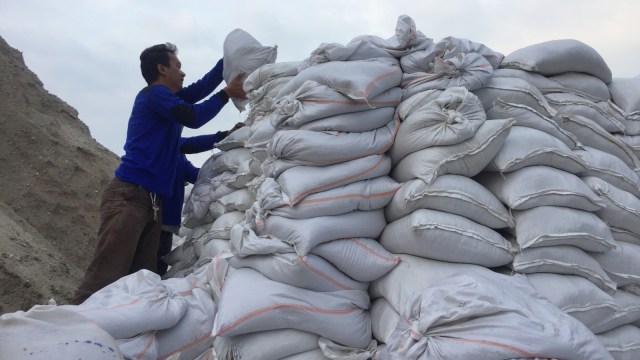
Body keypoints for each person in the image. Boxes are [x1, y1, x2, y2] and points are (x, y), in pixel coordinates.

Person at [71, 42, 245, 304]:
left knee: (141, 281)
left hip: (152, 204)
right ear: (162, 69)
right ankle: (73, 329)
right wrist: (225, 94)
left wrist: (226, 64)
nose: (183, 73)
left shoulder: (166, 107)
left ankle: (119, 335)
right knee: (106, 277)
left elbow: (192, 107)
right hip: (130, 197)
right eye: (178, 66)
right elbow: (193, 116)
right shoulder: (154, 95)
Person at [156, 127, 243, 276]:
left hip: (167, 223)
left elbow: (195, 175)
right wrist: (222, 136)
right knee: (143, 263)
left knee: (157, 265)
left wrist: (221, 175)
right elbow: (193, 143)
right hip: (153, 219)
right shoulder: (161, 147)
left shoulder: (179, 156)